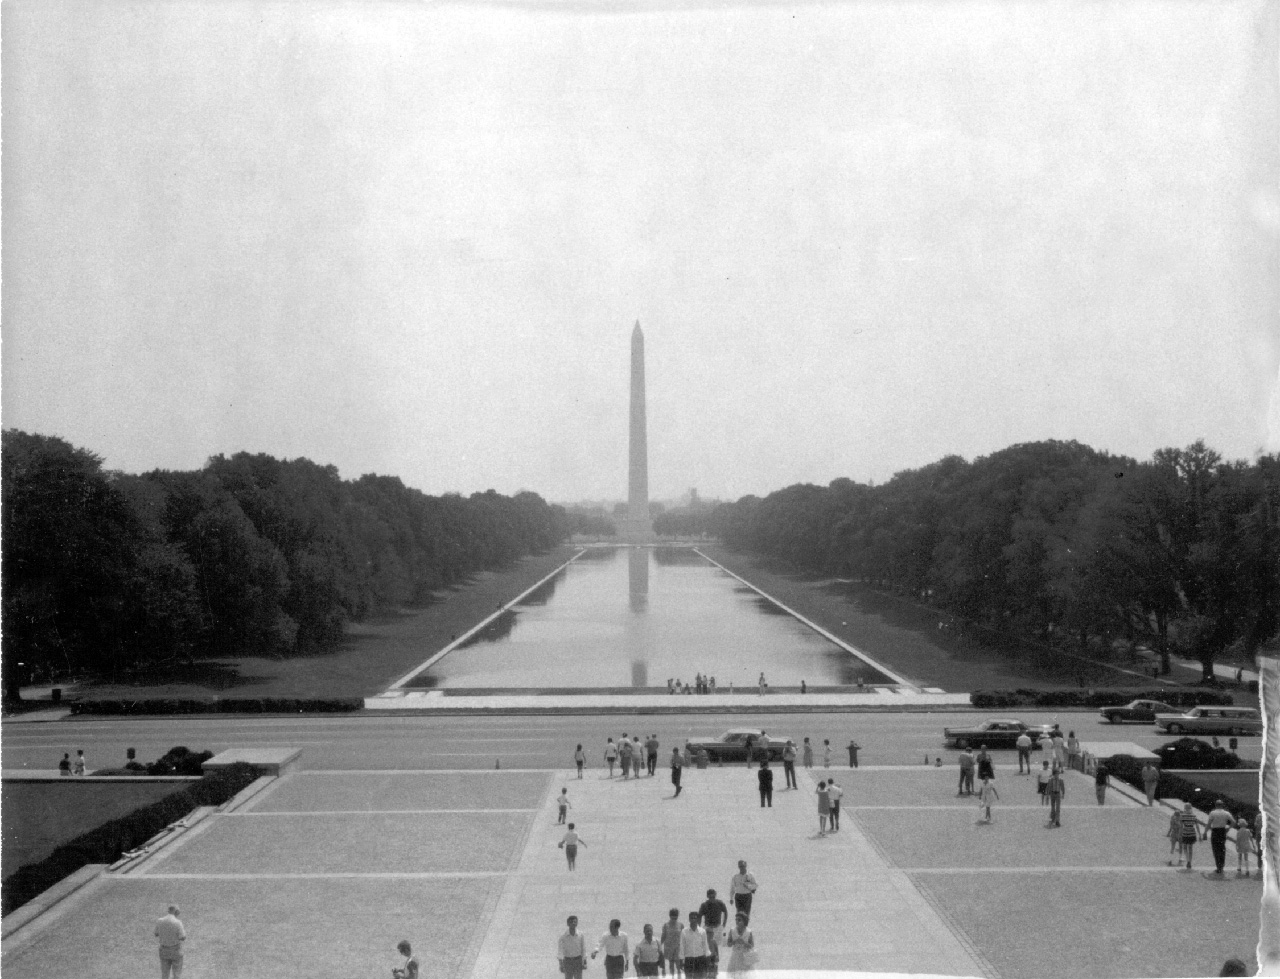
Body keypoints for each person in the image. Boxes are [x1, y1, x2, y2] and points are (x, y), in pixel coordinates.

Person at [698, 889, 729, 973]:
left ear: (715, 895)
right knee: (707, 945)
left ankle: (715, 962)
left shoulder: (720, 903)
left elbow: (725, 912)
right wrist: (699, 928)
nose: (712, 898)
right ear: (707, 896)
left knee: (718, 945)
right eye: (710, 897)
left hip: (718, 927)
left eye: (713, 896)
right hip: (708, 927)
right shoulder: (704, 905)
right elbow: (699, 916)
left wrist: (724, 924)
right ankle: (709, 963)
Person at [155, 904, 187, 979]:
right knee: (176, 973)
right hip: (175, 950)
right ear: (176, 912)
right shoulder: (178, 922)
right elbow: (183, 937)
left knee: (165, 973)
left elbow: (156, 933)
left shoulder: (160, 921)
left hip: (163, 950)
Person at [1206, 800, 1233, 876]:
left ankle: (1218, 866)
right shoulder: (1226, 813)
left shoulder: (1213, 813)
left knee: (1215, 849)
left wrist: (1205, 832)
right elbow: (1233, 822)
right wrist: (1229, 828)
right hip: (1222, 831)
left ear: (1215, 805)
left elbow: (1209, 824)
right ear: (1222, 805)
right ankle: (1222, 865)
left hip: (1215, 831)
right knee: (1222, 848)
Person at [679, 912, 710, 979]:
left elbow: (705, 946)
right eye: (691, 918)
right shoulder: (684, 931)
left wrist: (707, 960)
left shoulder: (702, 931)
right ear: (689, 919)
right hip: (688, 959)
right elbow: (682, 946)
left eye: (695, 918)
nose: (693, 920)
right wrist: (681, 960)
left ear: (698, 919)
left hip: (700, 959)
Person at [724, 912, 755, 977]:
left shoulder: (749, 931)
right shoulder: (732, 930)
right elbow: (728, 944)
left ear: (744, 921)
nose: (737, 921)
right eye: (736, 920)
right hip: (735, 957)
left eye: (739, 920)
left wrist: (744, 943)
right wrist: (734, 941)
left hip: (746, 956)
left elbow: (752, 946)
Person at [1176, 802, 1201, 870]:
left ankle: (1187, 860)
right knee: (1190, 848)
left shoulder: (1182, 816)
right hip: (1192, 833)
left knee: (1185, 847)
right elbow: (1197, 826)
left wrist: (1179, 835)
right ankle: (1190, 861)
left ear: (1185, 808)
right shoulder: (1194, 816)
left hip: (1185, 833)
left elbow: (1181, 827)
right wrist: (1199, 834)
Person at [661, 909, 684, 977]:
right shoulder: (666, 925)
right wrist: (659, 946)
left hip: (678, 947)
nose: (674, 918)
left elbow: (683, 937)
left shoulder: (681, 925)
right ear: (670, 916)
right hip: (669, 947)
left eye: (676, 916)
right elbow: (663, 936)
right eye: (673, 916)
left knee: (679, 966)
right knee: (671, 966)